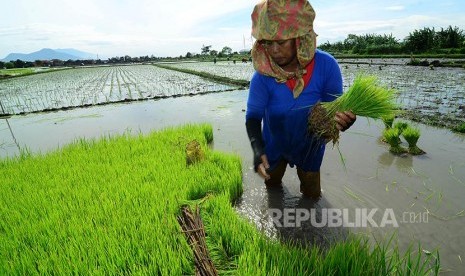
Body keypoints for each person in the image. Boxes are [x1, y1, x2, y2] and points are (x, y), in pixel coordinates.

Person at [245, 0, 356, 199]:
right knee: (272, 189)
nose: (274, 50)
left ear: (299, 38)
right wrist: (257, 149)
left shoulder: (326, 66)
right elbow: (253, 117)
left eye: (281, 42)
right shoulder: (262, 77)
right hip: (274, 145)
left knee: (312, 196)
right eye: (268, 43)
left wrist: (344, 122)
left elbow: (335, 111)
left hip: (310, 147)